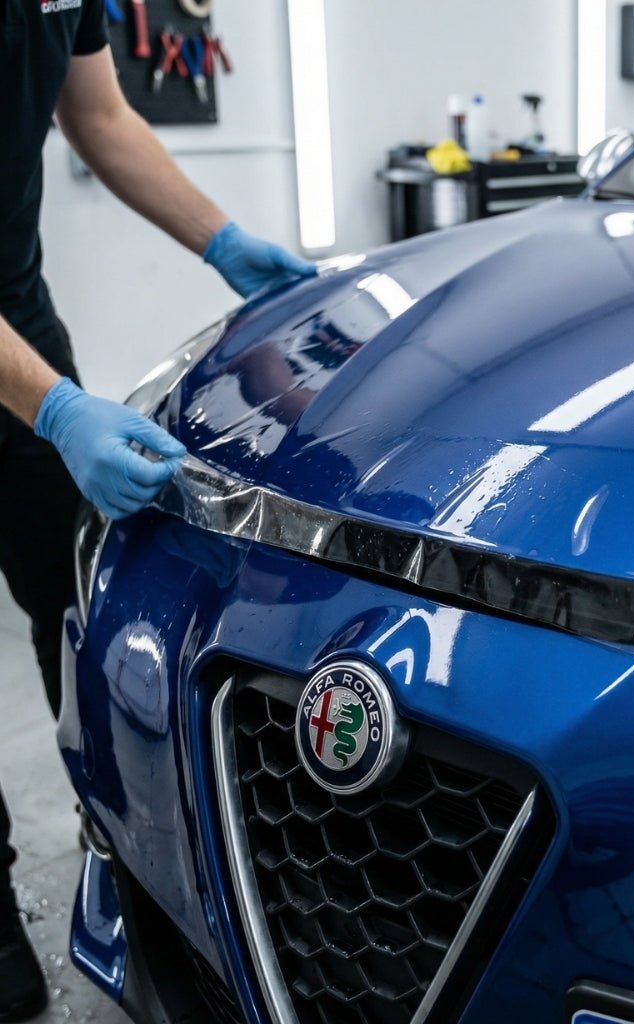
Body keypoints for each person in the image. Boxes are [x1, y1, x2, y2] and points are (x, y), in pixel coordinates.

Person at [0, 2, 317, 1018]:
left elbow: (99, 114)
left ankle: (111, 829)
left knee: (72, 594)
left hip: (16, 324)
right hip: (26, 376)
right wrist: (54, 410)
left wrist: (221, 241)